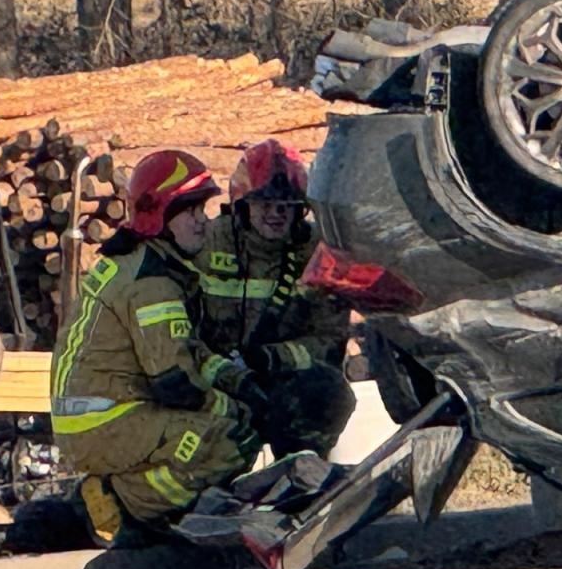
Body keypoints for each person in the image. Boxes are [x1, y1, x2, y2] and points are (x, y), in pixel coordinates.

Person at [50, 149, 267, 546]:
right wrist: (240, 408)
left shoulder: (146, 261)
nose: (203, 221)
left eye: (203, 208)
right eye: (191, 211)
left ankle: (135, 498)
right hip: (105, 421)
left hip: (100, 415)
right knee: (227, 438)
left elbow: (191, 352)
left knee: (230, 422)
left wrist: (242, 382)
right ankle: (129, 506)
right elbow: (174, 381)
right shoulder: (153, 283)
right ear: (161, 214)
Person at [195, 139, 354, 458]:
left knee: (327, 392)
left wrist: (269, 358)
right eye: (265, 204)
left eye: (287, 205)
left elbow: (329, 341)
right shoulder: (208, 244)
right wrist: (222, 372)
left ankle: (300, 479)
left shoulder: (316, 253)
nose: (276, 214)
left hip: (278, 386)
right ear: (242, 205)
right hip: (210, 382)